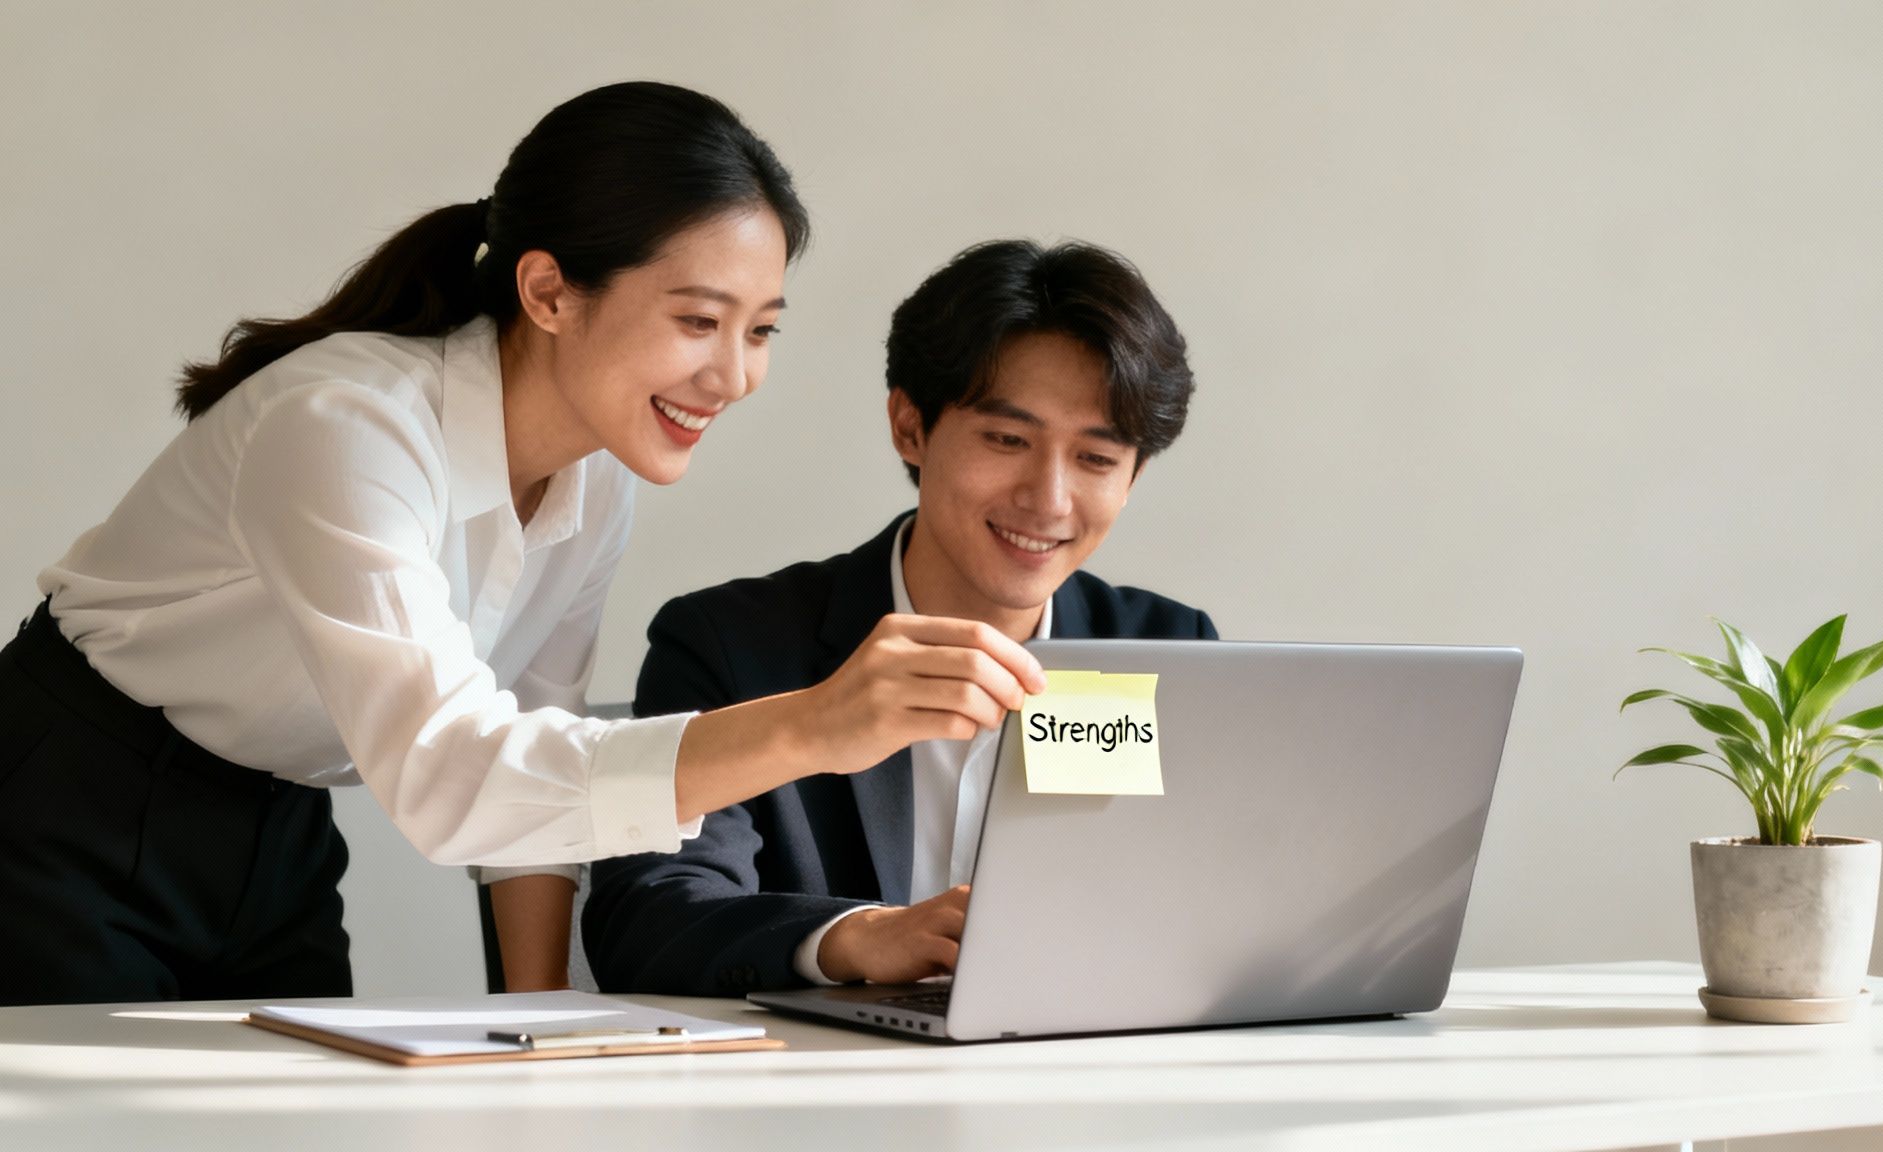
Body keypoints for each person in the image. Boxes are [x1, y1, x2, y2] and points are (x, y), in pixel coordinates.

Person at [0, 83, 1044, 1006]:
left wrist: (538, 1021)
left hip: (275, 827)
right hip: (68, 799)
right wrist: (810, 727)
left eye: (760, 330)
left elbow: (536, 749)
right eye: (697, 321)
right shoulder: (343, 427)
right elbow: (456, 777)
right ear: (547, 291)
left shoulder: (591, 481)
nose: (732, 377)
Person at [572, 239, 1215, 996]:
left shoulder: (1166, 652)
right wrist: (853, 938)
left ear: (1134, 477)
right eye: (1008, 440)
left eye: (1097, 460)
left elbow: (1217, 906)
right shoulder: (732, 644)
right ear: (909, 427)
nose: (1048, 499)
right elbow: (647, 920)